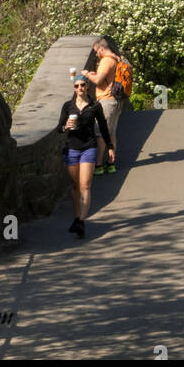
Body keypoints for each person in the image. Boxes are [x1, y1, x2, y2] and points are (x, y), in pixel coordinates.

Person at [58, 78, 114, 238]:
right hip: (72, 148)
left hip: (89, 147)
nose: (80, 88)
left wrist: (110, 146)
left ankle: (81, 220)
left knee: (85, 186)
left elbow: (103, 126)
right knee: (75, 186)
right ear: (74, 89)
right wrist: (65, 126)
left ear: (87, 87)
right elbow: (59, 129)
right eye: (77, 86)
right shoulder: (67, 106)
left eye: (83, 85)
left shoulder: (95, 106)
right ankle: (77, 217)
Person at [82, 36, 121, 174]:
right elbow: (106, 76)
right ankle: (111, 163)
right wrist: (96, 74)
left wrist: (87, 74)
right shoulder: (117, 58)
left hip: (107, 100)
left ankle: (98, 165)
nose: (95, 54)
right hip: (117, 100)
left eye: (96, 51)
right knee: (111, 133)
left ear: (101, 49)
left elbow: (98, 81)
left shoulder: (106, 60)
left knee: (100, 133)